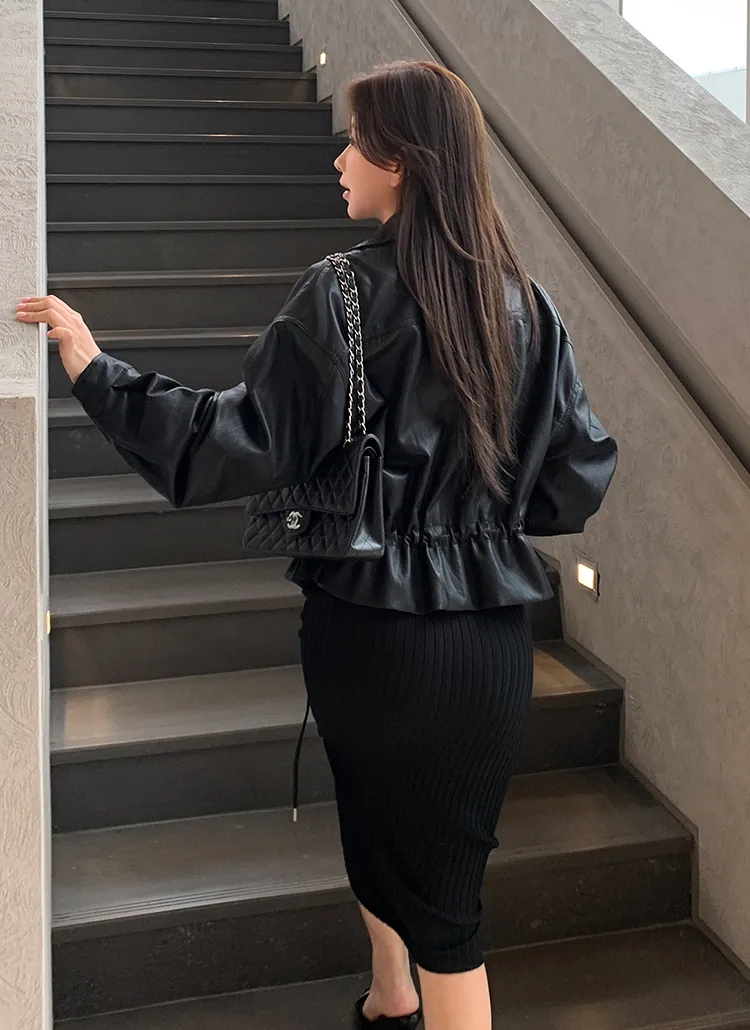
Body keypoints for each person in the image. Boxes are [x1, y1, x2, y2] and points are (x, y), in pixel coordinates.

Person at [18, 60, 616, 1030]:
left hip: (373, 636)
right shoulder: (525, 304)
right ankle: (389, 997)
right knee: (429, 867)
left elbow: (226, 442)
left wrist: (93, 367)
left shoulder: (341, 294)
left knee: (434, 901)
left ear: (401, 160)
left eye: (356, 141)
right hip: (489, 644)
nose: (340, 159)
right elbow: (575, 476)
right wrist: (471, 511)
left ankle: (401, 992)